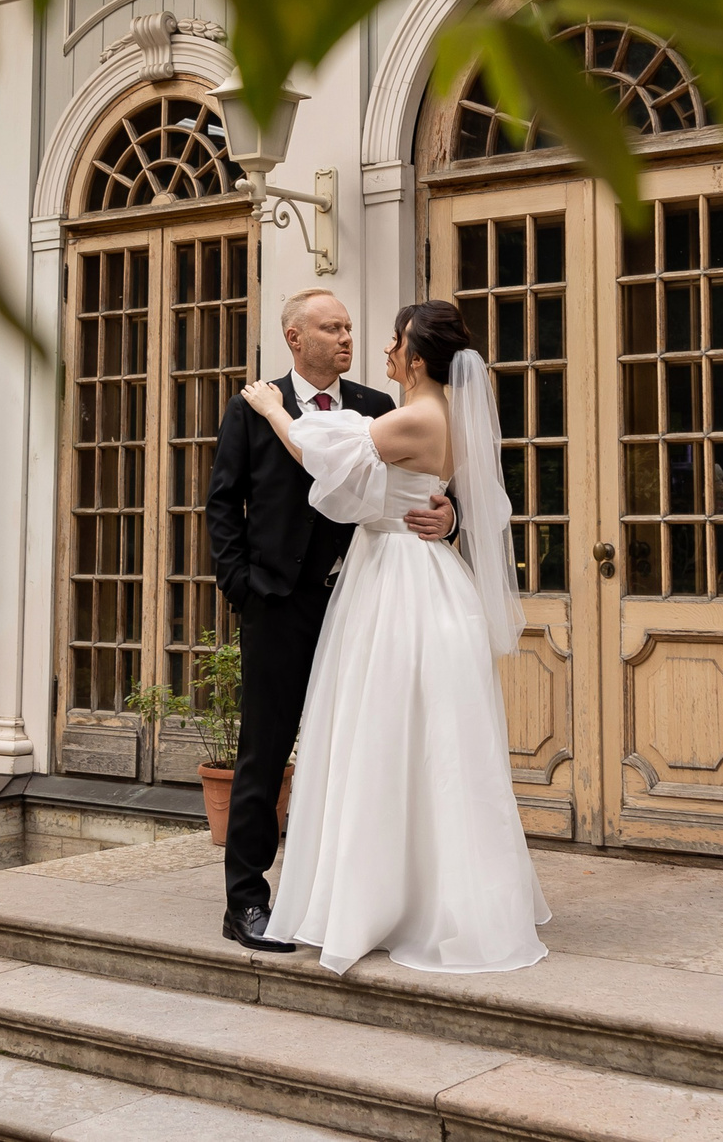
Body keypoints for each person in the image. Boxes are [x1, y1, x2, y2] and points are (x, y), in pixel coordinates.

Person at [234, 299, 549, 976]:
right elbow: (470, 496)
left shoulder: (407, 414)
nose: (379, 348)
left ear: (417, 357)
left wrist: (272, 408)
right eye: (340, 327)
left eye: (393, 340)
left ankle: (384, 901)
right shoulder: (445, 417)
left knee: (383, 739)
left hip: (398, 584)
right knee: (426, 746)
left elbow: (315, 450)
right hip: (407, 581)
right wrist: (449, 513)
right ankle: (419, 895)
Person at [206, 289, 454, 953]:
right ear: (295, 338)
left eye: (349, 326)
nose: (347, 337)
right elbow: (224, 504)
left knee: (357, 751)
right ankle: (246, 900)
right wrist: (243, 588)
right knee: (264, 751)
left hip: (367, 602)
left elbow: (432, 482)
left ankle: (338, 897)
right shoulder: (251, 407)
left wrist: (450, 517)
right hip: (279, 604)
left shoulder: (378, 405)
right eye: (331, 327)